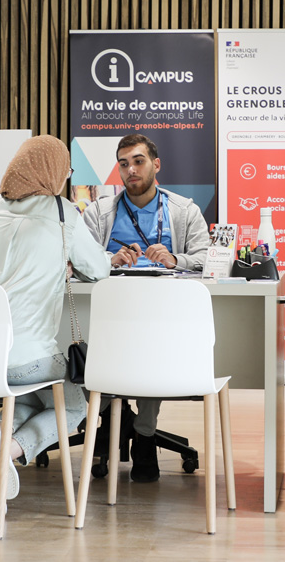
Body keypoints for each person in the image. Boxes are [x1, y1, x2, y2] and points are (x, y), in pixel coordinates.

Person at [0, 136, 111, 509]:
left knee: (30, 398)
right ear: (52, 171)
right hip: (28, 360)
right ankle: (5, 453)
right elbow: (99, 269)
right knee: (76, 407)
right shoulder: (62, 211)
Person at [82, 133, 211, 482]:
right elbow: (79, 260)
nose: (131, 170)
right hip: (112, 311)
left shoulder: (183, 210)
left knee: (153, 349)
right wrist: (108, 259)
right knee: (87, 348)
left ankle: (144, 432)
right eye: (123, 164)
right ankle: (111, 419)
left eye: (138, 162)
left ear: (156, 165)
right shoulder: (98, 212)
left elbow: (206, 258)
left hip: (165, 314)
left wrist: (175, 259)